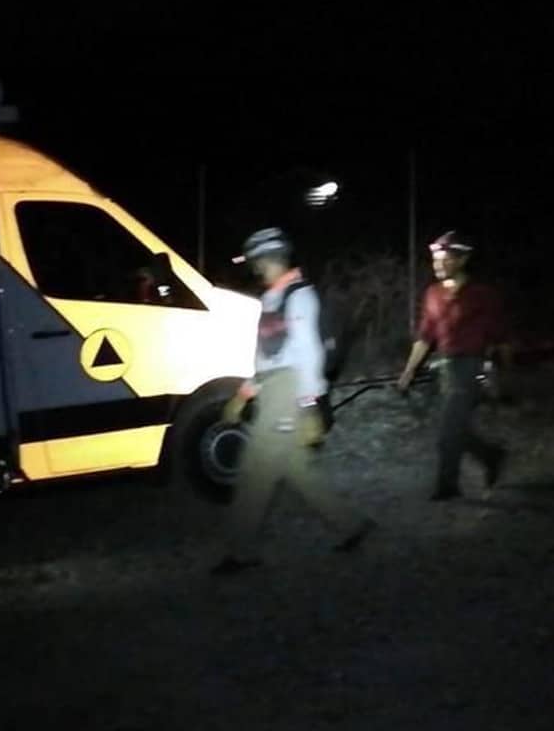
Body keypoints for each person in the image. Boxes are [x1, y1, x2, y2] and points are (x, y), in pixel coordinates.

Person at [211, 227, 376, 575]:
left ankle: (241, 551)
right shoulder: (272, 298)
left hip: (289, 389)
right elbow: (266, 355)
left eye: (257, 261)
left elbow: (308, 353)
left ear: (271, 258)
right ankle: (351, 524)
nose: (254, 268)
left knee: (256, 467)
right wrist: (245, 393)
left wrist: (310, 405)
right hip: (273, 387)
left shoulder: (300, 296)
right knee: (295, 468)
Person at [396, 230, 510, 500]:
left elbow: (501, 338)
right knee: (455, 426)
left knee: (448, 430)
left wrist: (505, 377)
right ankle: (491, 456)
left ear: (462, 259)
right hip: (446, 367)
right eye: (435, 260)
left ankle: (447, 486)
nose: (438, 265)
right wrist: (408, 371)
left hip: (472, 368)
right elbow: (425, 337)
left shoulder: (482, 295)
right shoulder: (433, 294)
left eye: (445, 259)